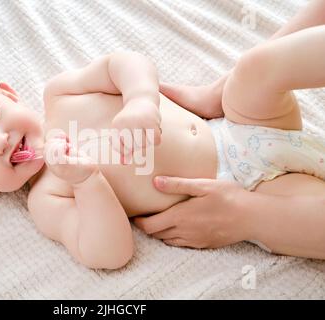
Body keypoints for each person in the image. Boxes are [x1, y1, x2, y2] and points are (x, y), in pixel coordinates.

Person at [0, 4, 325, 269]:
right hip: (249, 188)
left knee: (254, 68)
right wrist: (87, 181)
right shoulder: (48, 198)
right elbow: (109, 253)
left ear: (8, 95)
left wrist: (140, 99)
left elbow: (123, 62)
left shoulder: (61, 94)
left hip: (239, 123)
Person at [134, 0, 325, 260]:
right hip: (244, 136)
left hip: (261, 189)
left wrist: (246, 216)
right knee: (255, 68)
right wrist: (223, 90)